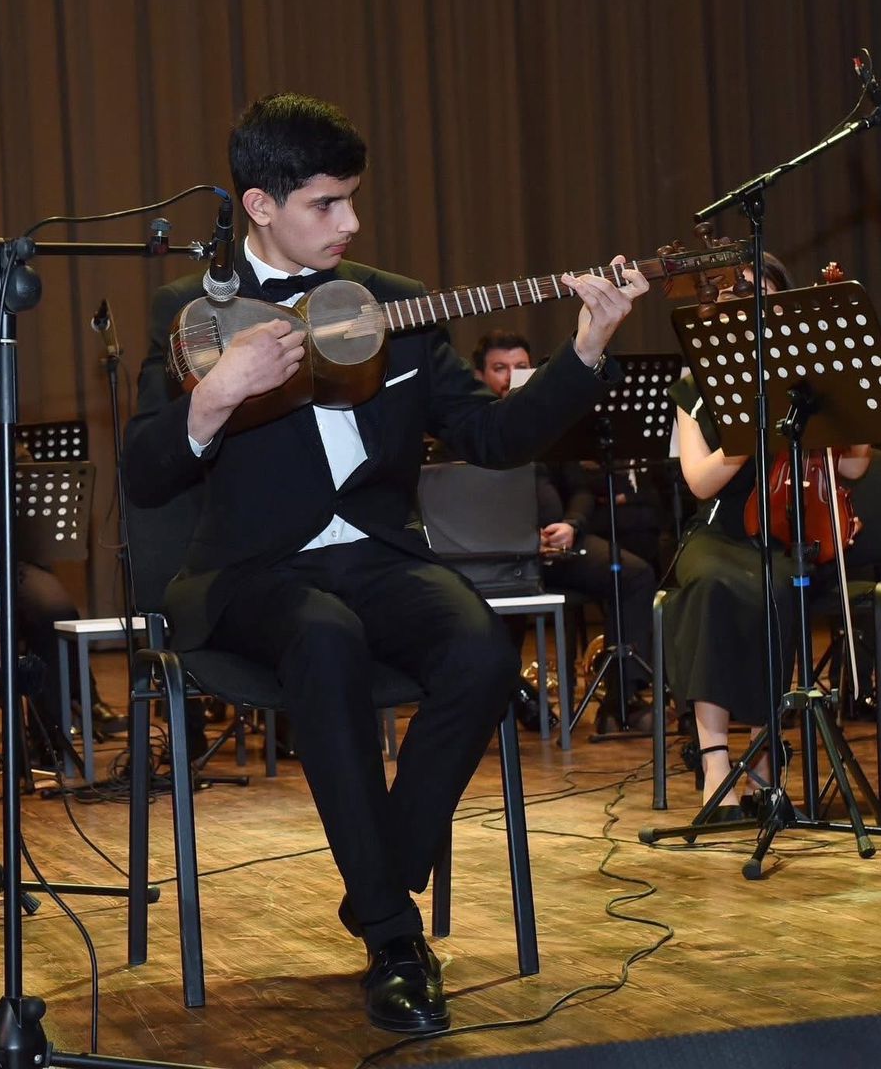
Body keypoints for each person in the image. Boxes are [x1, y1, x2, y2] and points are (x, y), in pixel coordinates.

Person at [125, 92, 647, 1033]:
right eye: (326, 203)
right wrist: (213, 399)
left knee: (481, 651)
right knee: (323, 638)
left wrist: (585, 349)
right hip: (250, 574)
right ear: (260, 205)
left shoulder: (393, 302)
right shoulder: (190, 313)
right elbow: (144, 472)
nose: (351, 222)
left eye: (353, 199)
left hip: (375, 555)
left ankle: (383, 874)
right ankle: (395, 940)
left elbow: (491, 438)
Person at [663, 255, 872, 817]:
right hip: (718, 531)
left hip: (786, 533)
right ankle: (714, 764)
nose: (747, 305)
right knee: (711, 587)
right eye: (734, 294)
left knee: (777, 589)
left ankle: (761, 762)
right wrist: (748, 433)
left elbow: (854, 468)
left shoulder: (807, 381)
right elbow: (700, 482)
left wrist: (847, 400)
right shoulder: (693, 384)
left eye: (760, 294)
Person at [0, 356, 125, 751]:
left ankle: (52, 733)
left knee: (55, 608)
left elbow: (37, 526)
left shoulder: (9, 452)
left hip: (8, 565)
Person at [469, 329, 660, 728]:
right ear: (480, 375)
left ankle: (622, 699)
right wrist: (521, 539)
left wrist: (571, 525)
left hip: (559, 548)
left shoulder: (543, 424)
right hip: (501, 558)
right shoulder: (469, 429)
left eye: (521, 367)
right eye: (500, 368)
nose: (510, 377)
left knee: (635, 574)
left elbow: (581, 490)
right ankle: (508, 700)